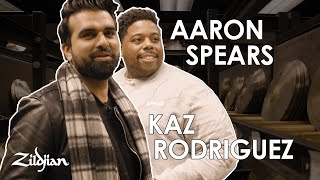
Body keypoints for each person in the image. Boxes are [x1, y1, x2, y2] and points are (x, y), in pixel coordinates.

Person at [0, 1, 152, 179]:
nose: (103, 42)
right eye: (89, 35)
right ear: (67, 50)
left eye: (109, 33)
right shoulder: (42, 112)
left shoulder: (122, 107)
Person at [113, 7, 238, 180]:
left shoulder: (190, 89)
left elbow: (223, 152)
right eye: (138, 39)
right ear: (120, 47)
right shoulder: (110, 85)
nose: (149, 44)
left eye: (155, 39)